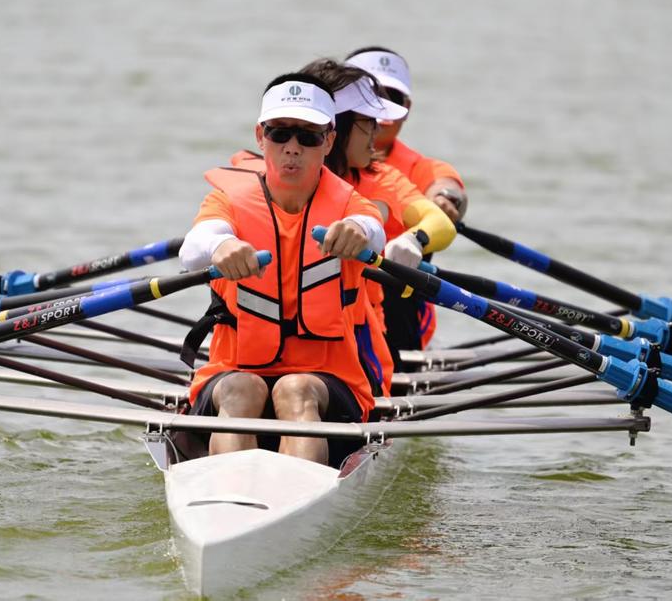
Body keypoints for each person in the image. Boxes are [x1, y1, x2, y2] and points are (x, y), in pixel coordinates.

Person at [178, 72, 385, 467]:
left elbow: (374, 233)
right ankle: (233, 500)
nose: (292, 148)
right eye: (280, 134)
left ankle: (298, 504)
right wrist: (222, 244)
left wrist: (357, 232)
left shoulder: (350, 207)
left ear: (328, 141)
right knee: (243, 387)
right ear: (260, 137)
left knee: (295, 388)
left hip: (329, 383)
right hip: (231, 375)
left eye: (307, 136)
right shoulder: (228, 201)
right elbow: (194, 248)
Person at [303, 59, 456, 379]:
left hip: (368, 334)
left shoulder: (380, 178)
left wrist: (416, 239)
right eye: (369, 120)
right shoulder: (275, 179)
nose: (378, 128)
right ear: (338, 125)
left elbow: (439, 222)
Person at [345, 46, 467, 350]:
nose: (383, 108)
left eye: (392, 97)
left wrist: (443, 200)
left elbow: (449, 188)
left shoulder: (417, 170)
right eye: (373, 97)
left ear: (407, 106)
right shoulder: (302, 159)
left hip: (398, 313)